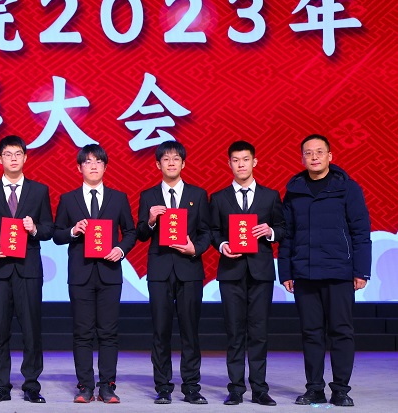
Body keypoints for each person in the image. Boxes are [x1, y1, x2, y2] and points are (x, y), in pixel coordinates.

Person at [279, 134, 371, 407]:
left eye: (320, 152)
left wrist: (361, 271)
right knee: (311, 333)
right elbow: (287, 234)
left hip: (339, 271)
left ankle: (340, 389)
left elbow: (360, 232)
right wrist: (286, 271)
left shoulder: (348, 188)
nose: (314, 157)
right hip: (305, 273)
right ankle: (314, 389)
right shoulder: (294, 190)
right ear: (302, 158)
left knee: (341, 331)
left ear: (330, 156)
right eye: (308, 153)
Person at [54, 144, 136, 404]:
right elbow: (56, 234)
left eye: (98, 162)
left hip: (110, 273)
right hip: (80, 274)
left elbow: (130, 232)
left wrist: (120, 250)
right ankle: (85, 386)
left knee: (109, 332)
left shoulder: (118, 198)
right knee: (82, 332)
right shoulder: (68, 199)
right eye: (88, 162)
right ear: (79, 167)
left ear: (105, 167)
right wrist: (73, 231)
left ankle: (107, 385)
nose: (93, 166)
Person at [0, 135, 54, 404]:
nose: (13, 158)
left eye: (18, 153)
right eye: (7, 154)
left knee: (31, 330)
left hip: (28, 269)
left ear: (25, 157)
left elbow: (49, 228)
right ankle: (1, 385)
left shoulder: (39, 191)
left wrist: (34, 229)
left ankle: (31, 384)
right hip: (0, 269)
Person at [209, 141, 285, 406]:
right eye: (235, 160)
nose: (241, 164)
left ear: (255, 162)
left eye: (245, 159)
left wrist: (270, 232)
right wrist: (222, 245)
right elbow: (213, 231)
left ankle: (260, 389)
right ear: (229, 163)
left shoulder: (271, 196)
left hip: (261, 272)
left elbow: (283, 228)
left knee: (259, 332)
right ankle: (236, 388)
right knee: (234, 332)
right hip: (230, 272)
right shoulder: (219, 198)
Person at [136, 140, 211, 405]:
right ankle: (163, 387)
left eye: (176, 158)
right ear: (158, 164)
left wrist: (194, 249)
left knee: (190, 330)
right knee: (161, 330)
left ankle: (191, 387)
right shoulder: (148, 196)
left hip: (189, 269)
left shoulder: (198, 195)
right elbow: (141, 234)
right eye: (166, 159)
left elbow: (206, 232)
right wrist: (150, 221)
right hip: (159, 270)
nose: (171, 163)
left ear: (183, 163)